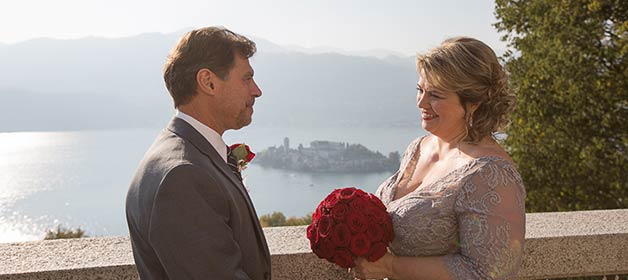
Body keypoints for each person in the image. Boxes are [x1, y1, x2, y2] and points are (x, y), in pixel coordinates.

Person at [352, 37, 526, 279]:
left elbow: (488, 274)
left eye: (435, 94)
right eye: (420, 89)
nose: (421, 102)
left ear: (473, 103)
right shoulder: (418, 148)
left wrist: (389, 267)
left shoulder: (491, 175)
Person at [125, 27, 270, 280]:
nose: (256, 90)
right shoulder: (182, 176)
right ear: (208, 82)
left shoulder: (185, 154)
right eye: (246, 78)